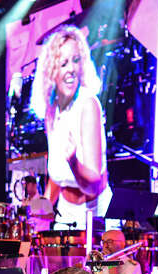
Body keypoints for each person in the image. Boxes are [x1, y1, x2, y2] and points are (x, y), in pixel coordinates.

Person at [30, 25, 112, 230]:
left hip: (95, 214)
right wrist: (42, 211)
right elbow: (58, 176)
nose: (71, 69)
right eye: (63, 63)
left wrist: (74, 161)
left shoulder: (88, 104)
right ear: (52, 70)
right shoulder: (51, 110)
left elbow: (92, 186)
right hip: (66, 213)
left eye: (76, 60)